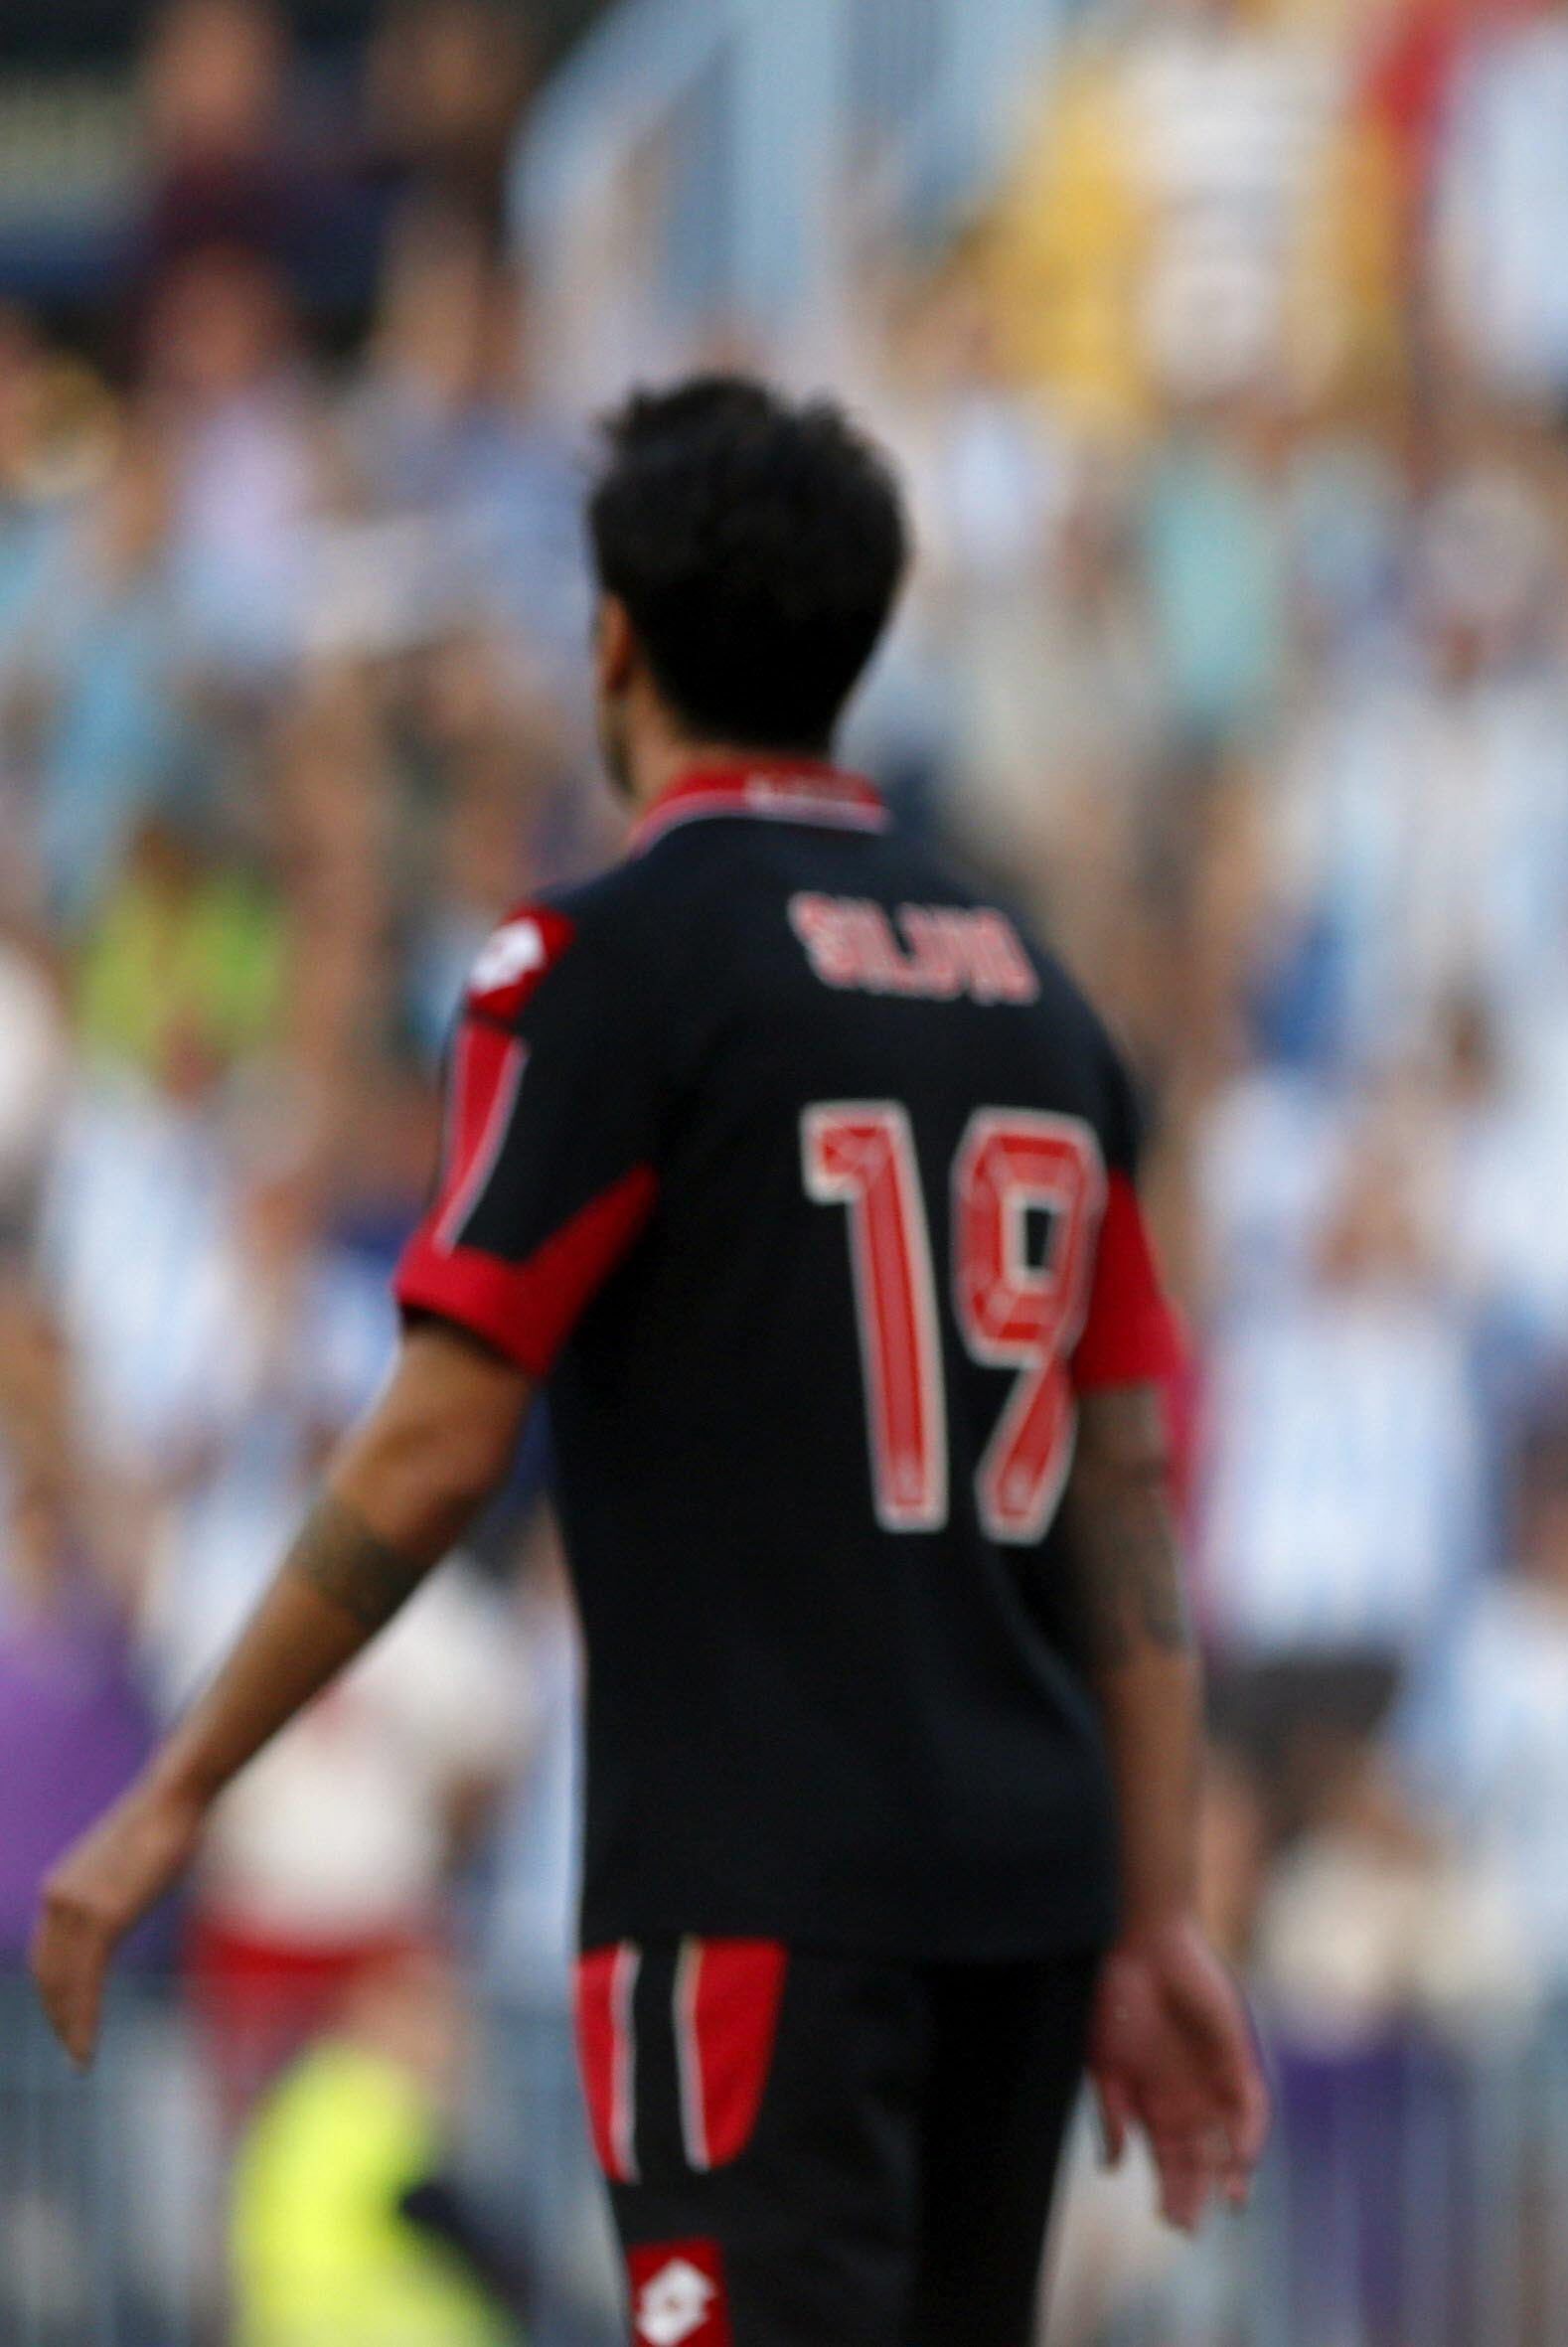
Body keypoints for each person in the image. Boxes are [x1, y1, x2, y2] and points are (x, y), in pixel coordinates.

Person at [31, 376, 1269, 2344]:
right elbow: (1122, 1502)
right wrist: (1153, 1904)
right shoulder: (1037, 1002)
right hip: (1021, 1890)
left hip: (762, 1881)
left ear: (613, 640)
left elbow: (441, 1438)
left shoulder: (598, 966)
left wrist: (182, 1781)